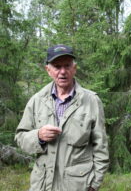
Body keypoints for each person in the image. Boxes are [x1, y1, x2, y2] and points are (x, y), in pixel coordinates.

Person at [15, 44, 109, 191]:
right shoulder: (36, 100)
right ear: (48, 70)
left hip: (78, 186)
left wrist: (94, 184)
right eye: (57, 66)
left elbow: (101, 146)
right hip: (42, 185)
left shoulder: (91, 101)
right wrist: (38, 136)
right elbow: (20, 138)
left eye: (67, 65)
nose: (62, 72)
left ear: (74, 68)